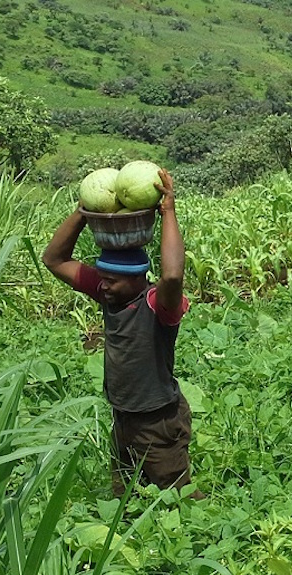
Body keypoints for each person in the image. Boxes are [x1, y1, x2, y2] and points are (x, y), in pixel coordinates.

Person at [42, 168, 204, 499]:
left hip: (158, 419)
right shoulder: (108, 292)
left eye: (111, 280)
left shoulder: (158, 304)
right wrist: (84, 213)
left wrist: (169, 210)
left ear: (136, 277)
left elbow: (172, 276)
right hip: (123, 416)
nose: (102, 285)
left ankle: (208, 537)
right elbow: (54, 259)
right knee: (125, 496)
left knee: (178, 495)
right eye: (100, 278)